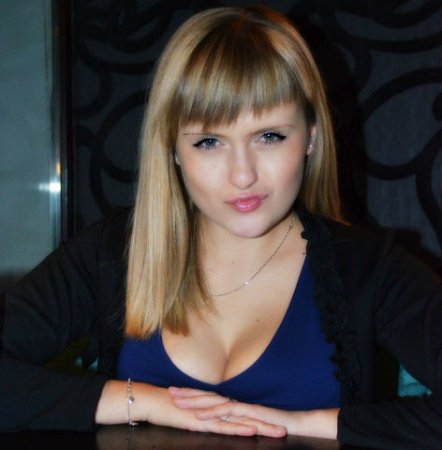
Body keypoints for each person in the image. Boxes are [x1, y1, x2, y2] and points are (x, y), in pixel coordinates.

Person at [0, 5, 441, 449]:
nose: (243, 175)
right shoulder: (113, 251)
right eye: (209, 142)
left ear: (310, 136)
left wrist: (306, 423)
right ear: (173, 148)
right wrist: (144, 402)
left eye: (269, 136)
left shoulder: (370, 269)